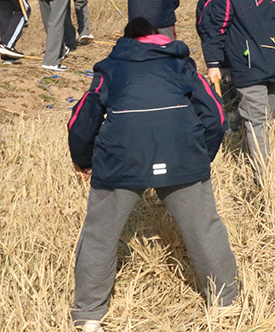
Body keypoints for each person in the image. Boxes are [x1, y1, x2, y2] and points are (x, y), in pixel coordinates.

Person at [67, 17, 238, 328]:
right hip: (182, 155)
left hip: (121, 158)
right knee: (204, 228)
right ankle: (226, 304)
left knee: (99, 235)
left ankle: (89, 315)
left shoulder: (110, 67)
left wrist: (83, 159)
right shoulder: (182, 64)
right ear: (158, 38)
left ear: (126, 40)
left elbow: (82, 119)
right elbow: (215, 115)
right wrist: (201, 157)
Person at [197, 0, 275, 184]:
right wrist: (213, 64)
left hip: (273, 60)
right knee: (256, 118)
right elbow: (214, 30)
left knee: (268, 115)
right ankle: (264, 177)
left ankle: (264, 161)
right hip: (247, 64)